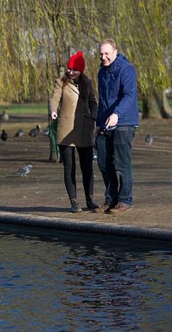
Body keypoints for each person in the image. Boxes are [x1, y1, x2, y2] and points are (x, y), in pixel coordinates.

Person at [49, 51, 99, 213]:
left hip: (84, 129)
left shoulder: (87, 83)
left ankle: (90, 200)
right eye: (69, 68)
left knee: (87, 167)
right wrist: (53, 110)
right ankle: (74, 202)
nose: (70, 72)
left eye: (74, 69)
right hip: (66, 129)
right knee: (69, 167)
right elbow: (54, 98)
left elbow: (93, 102)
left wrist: (93, 117)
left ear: (81, 70)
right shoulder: (60, 83)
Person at [95, 39, 139, 214]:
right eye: (101, 54)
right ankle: (110, 199)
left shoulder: (126, 70)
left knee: (122, 163)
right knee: (104, 163)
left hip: (124, 122)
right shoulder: (101, 73)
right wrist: (99, 123)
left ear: (115, 52)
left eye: (106, 53)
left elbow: (129, 96)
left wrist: (117, 114)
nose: (103, 57)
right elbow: (103, 101)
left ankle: (125, 200)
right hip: (106, 122)